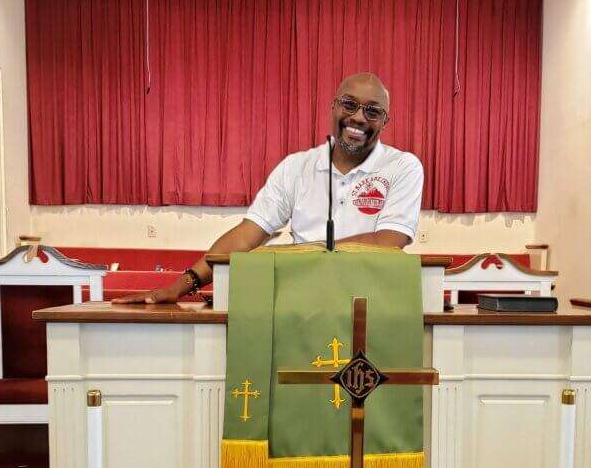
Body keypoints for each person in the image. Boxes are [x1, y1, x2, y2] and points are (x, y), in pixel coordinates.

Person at [113, 72, 424, 304]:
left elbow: (388, 240)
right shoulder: (296, 167)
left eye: (373, 111)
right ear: (333, 106)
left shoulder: (403, 167)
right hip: (301, 303)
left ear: (386, 121)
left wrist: (287, 254)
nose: (358, 117)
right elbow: (247, 236)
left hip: (371, 303)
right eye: (349, 104)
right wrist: (181, 285)